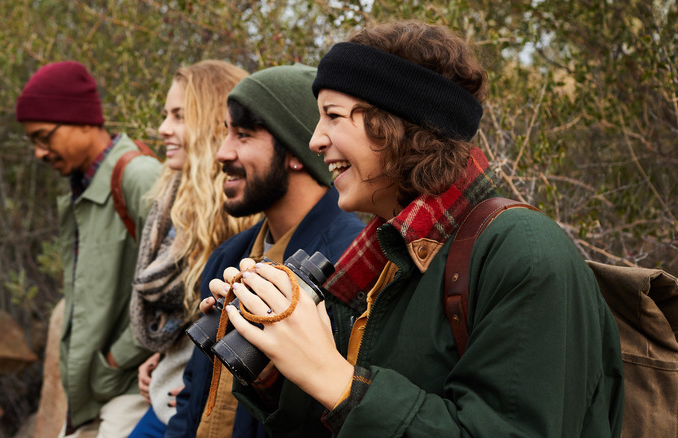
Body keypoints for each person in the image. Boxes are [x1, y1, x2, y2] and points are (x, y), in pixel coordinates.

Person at [214, 21, 625, 437]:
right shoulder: (379, 256)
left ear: (397, 124)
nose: (316, 139)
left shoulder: (525, 253)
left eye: (333, 116)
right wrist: (270, 353)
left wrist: (334, 378)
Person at [164, 64, 364, 438]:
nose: (223, 153)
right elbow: (194, 396)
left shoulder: (351, 262)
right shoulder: (228, 258)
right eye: (226, 133)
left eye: (243, 135)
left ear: (295, 151)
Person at [16, 61, 164, 437]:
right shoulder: (82, 186)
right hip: (96, 394)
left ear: (82, 119)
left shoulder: (138, 176)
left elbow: (178, 283)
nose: (39, 152)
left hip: (131, 388)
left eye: (44, 137)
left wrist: (115, 361)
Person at [127, 60, 259, 438]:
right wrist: (164, 355)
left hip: (192, 406)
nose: (163, 129)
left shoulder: (237, 212)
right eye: (166, 115)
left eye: (179, 116)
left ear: (211, 125)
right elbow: (191, 319)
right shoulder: (174, 200)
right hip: (165, 390)